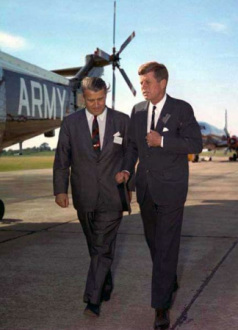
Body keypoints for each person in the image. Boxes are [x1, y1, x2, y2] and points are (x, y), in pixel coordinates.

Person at [116, 62, 203, 329]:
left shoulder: (181, 109)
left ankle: (161, 307)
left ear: (162, 83)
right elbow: (131, 146)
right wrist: (127, 171)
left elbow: (195, 144)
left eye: (147, 82)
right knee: (154, 242)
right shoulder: (138, 111)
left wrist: (163, 141)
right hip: (146, 188)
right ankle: (168, 277)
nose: (142, 87)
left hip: (172, 189)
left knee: (166, 245)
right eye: (140, 83)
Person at [53, 77, 130, 317]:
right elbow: (62, 159)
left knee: (102, 246)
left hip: (112, 195)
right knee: (96, 247)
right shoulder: (70, 123)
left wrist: (126, 170)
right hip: (84, 195)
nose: (96, 105)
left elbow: (130, 151)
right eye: (91, 100)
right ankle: (104, 283)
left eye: (101, 99)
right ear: (82, 98)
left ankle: (92, 300)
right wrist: (60, 190)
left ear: (106, 95)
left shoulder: (122, 121)